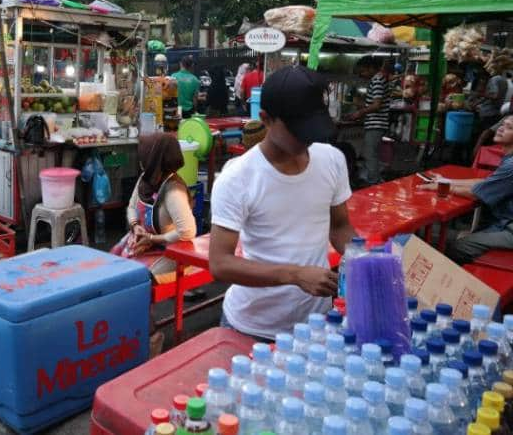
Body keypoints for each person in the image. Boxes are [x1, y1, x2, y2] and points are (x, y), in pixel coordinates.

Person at [208, 65, 355, 341]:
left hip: (315, 324)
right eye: (298, 130)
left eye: (313, 128)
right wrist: (295, 275)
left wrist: (365, 261)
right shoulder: (238, 178)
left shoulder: (331, 160)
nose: (307, 138)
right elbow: (220, 263)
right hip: (253, 328)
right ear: (265, 119)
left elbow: (340, 226)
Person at [420, 115, 513, 264]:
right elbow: (486, 183)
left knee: (458, 247)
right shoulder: (509, 159)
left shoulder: (511, 165)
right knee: (463, 235)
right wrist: (446, 181)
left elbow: (476, 193)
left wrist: (441, 188)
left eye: (509, 127)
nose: (501, 128)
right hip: (504, 222)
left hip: (509, 228)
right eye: (502, 124)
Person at [111, 133, 196, 284]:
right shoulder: (146, 178)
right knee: (112, 269)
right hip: (143, 243)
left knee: (136, 281)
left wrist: (152, 239)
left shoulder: (173, 191)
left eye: (143, 156)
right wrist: (135, 225)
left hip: (169, 251)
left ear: (154, 159)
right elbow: (131, 206)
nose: (140, 161)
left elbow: (187, 231)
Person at [349, 56, 390, 185]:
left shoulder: (377, 80)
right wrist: (360, 104)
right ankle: (375, 178)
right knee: (372, 153)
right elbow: (375, 103)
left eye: (362, 71)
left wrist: (360, 113)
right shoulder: (378, 79)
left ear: (371, 68)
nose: (361, 75)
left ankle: (373, 182)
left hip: (376, 124)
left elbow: (376, 105)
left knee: (370, 153)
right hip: (376, 123)